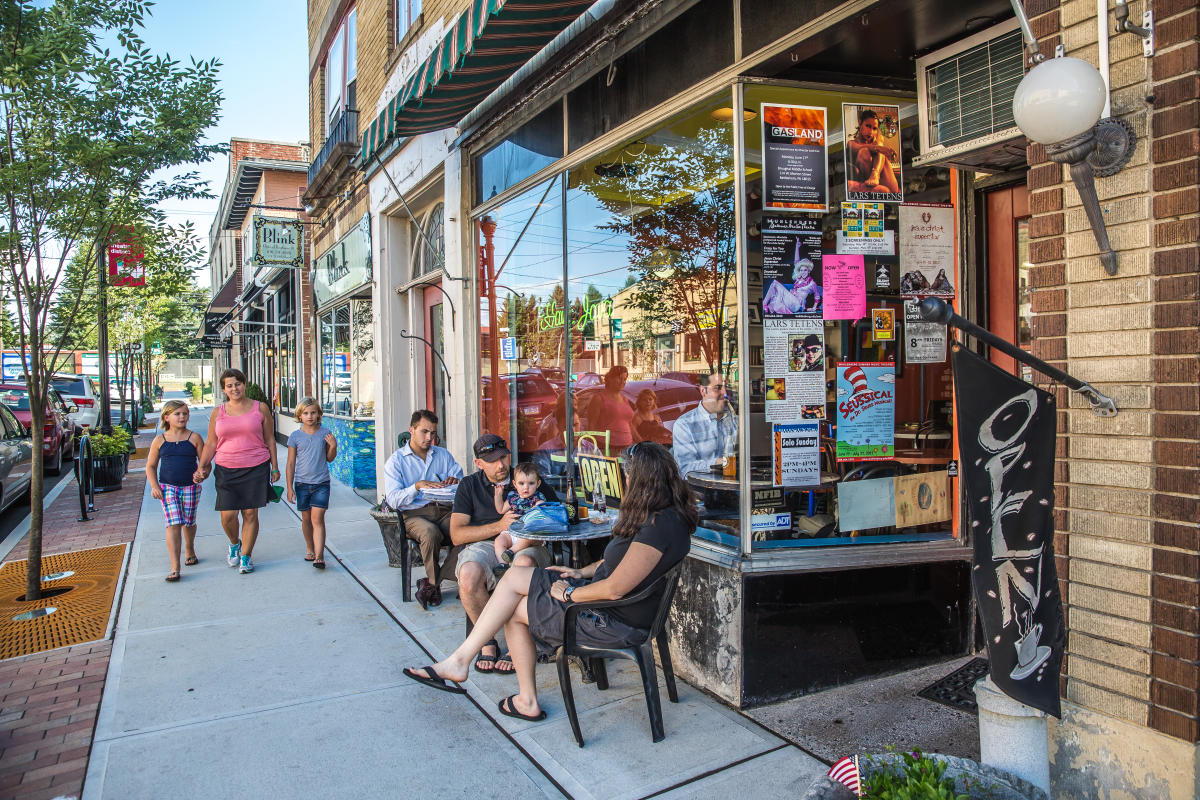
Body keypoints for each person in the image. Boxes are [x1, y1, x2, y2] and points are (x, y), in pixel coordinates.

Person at [401, 441, 697, 723]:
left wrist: (569, 594)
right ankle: (464, 661)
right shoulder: (665, 517)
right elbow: (618, 565)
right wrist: (581, 573)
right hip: (605, 605)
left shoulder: (658, 526)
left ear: (642, 481)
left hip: (608, 618)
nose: (625, 482)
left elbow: (615, 588)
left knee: (515, 611)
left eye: (628, 476)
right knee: (516, 582)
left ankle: (505, 687)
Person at [449, 434, 556, 675]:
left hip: (528, 542)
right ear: (479, 464)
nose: (501, 465)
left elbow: (558, 514)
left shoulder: (527, 478)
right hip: (489, 544)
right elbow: (456, 535)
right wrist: (498, 526)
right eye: (493, 460)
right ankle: (487, 641)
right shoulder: (469, 485)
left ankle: (520, 642)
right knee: (468, 574)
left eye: (503, 458)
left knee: (523, 563)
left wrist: (538, 526)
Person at [194, 368, 278, 575]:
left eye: (238, 384)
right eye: (229, 385)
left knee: (250, 513)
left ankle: (246, 557)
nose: (234, 388)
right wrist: (202, 466)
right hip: (226, 467)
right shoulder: (218, 412)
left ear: (245, 384)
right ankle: (234, 543)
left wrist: (274, 467)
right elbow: (212, 442)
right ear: (224, 389)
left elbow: (269, 439)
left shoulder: (261, 408)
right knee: (228, 516)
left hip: (256, 466)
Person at [382, 410, 463, 609]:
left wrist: (455, 481)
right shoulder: (396, 461)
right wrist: (416, 486)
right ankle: (434, 584)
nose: (429, 438)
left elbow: (460, 480)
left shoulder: (442, 455)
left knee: (465, 529)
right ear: (412, 430)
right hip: (413, 514)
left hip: (443, 509)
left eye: (433, 433)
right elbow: (393, 500)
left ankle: (434, 580)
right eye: (424, 432)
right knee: (430, 533)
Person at [145, 400, 204, 582]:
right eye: (177, 414)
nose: (182, 417)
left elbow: (204, 464)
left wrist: (201, 473)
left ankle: (190, 548)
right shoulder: (159, 440)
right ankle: (175, 566)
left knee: (189, 521)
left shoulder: (194, 438)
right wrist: (155, 486)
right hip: (168, 488)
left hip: (190, 487)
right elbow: (151, 466)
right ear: (166, 417)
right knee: (173, 523)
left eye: (185, 413)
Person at [285, 398, 337, 570]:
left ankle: (320, 556)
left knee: (317, 518)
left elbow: (329, 458)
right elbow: (291, 463)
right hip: (302, 484)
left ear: (319, 414)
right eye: (306, 413)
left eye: (313, 412)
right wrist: (290, 486)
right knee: (306, 519)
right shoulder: (295, 437)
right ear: (299, 416)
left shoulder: (325, 433)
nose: (309, 416)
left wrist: (333, 446)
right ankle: (310, 549)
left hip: (321, 483)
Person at [671, 372, 737, 477]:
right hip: (704, 491)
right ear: (703, 391)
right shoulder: (685, 424)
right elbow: (685, 469)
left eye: (726, 387)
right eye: (718, 388)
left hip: (737, 488)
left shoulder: (734, 420)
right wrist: (723, 463)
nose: (725, 393)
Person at [491, 462, 549, 576]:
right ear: (515, 484)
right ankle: (503, 564)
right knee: (499, 541)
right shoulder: (513, 497)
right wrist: (497, 496)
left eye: (531, 483)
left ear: (538, 484)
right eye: (521, 483)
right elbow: (501, 509)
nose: (526, 487)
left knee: (527, 538)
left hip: (529, 533)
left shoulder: (538, 498)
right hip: (512, 531)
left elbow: (541, 513)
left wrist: (539, 507)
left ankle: (511, 551)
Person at [847, 108, 900, 196]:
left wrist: (879, 148)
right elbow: (860, 147)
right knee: (864, 151)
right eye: (868, 126)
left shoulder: (878, 139)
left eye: (874, 128)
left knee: (878, 146)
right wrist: (879, 148)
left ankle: (875, 174)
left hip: (890, 186)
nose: (871, 132)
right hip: (874, 186)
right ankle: (874, 175)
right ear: (860, 123)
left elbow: (878, 145)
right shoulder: (851, 143)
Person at [586, 365, 634, 449]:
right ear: (610, 378)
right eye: (619, 378)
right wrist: (592, 449)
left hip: (627, 446)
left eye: (625, 379)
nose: (622, 382)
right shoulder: (599, 399)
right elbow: (591, 425)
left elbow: (630, 425)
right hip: (606, 446)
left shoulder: (625, 399)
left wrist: (641, 441)